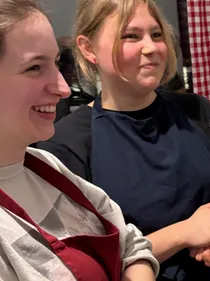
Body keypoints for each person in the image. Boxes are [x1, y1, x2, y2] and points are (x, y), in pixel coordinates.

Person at [35, 0, 210, 280]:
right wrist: (185, 233)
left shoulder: (197, 111)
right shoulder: (66, 143)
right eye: (131, 36)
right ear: (89, 48)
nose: (151, 48)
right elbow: (84, 261)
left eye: (157, 34)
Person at [0, 0, 159, 280]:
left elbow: (132, 245)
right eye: (35, 67)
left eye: (56, 63)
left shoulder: (45, 167)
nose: (63, 88)